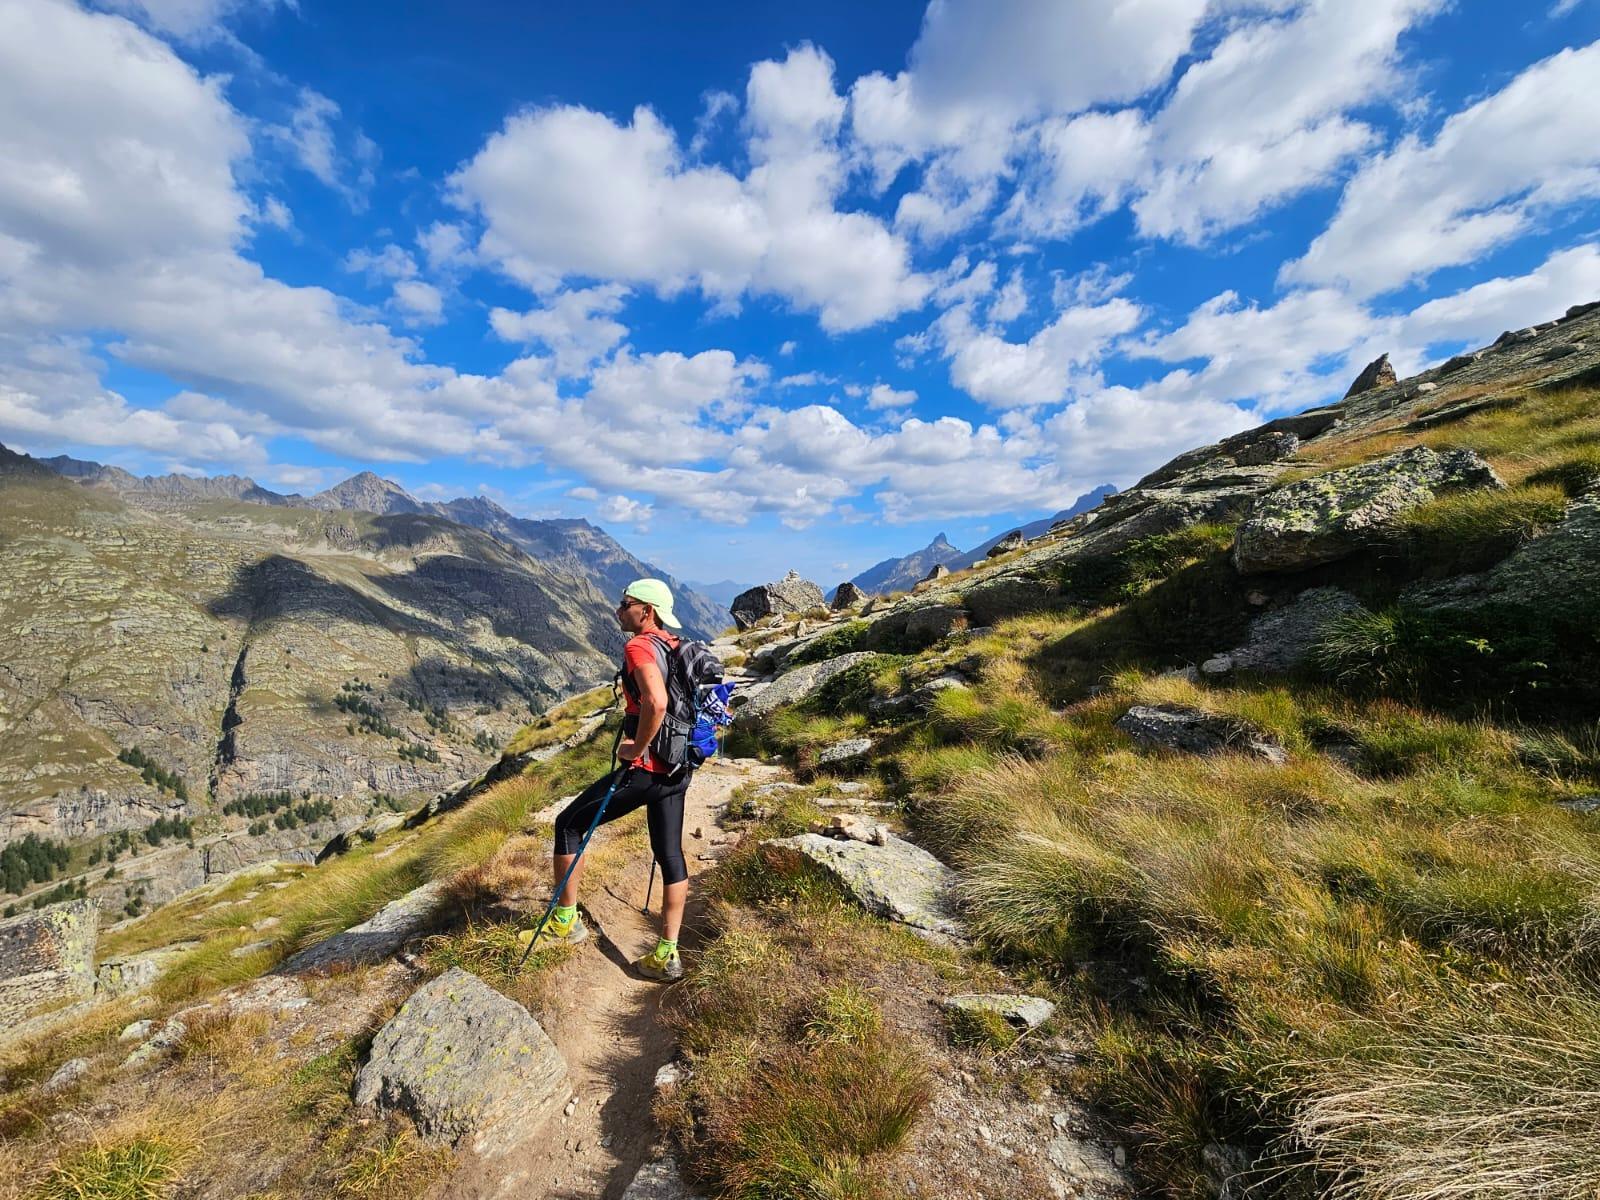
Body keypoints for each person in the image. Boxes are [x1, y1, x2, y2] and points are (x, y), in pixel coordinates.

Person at [518, 578, 691, 981]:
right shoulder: (675, 645)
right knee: (669, 854)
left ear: (647, 611)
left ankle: (566, 923)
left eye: (626, 603)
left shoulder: (639, 646)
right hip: (678, 767)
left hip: (646, 768)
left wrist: (636, 748)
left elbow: (657, 702)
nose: (618, 609)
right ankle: (667, 953)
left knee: (568, 824)